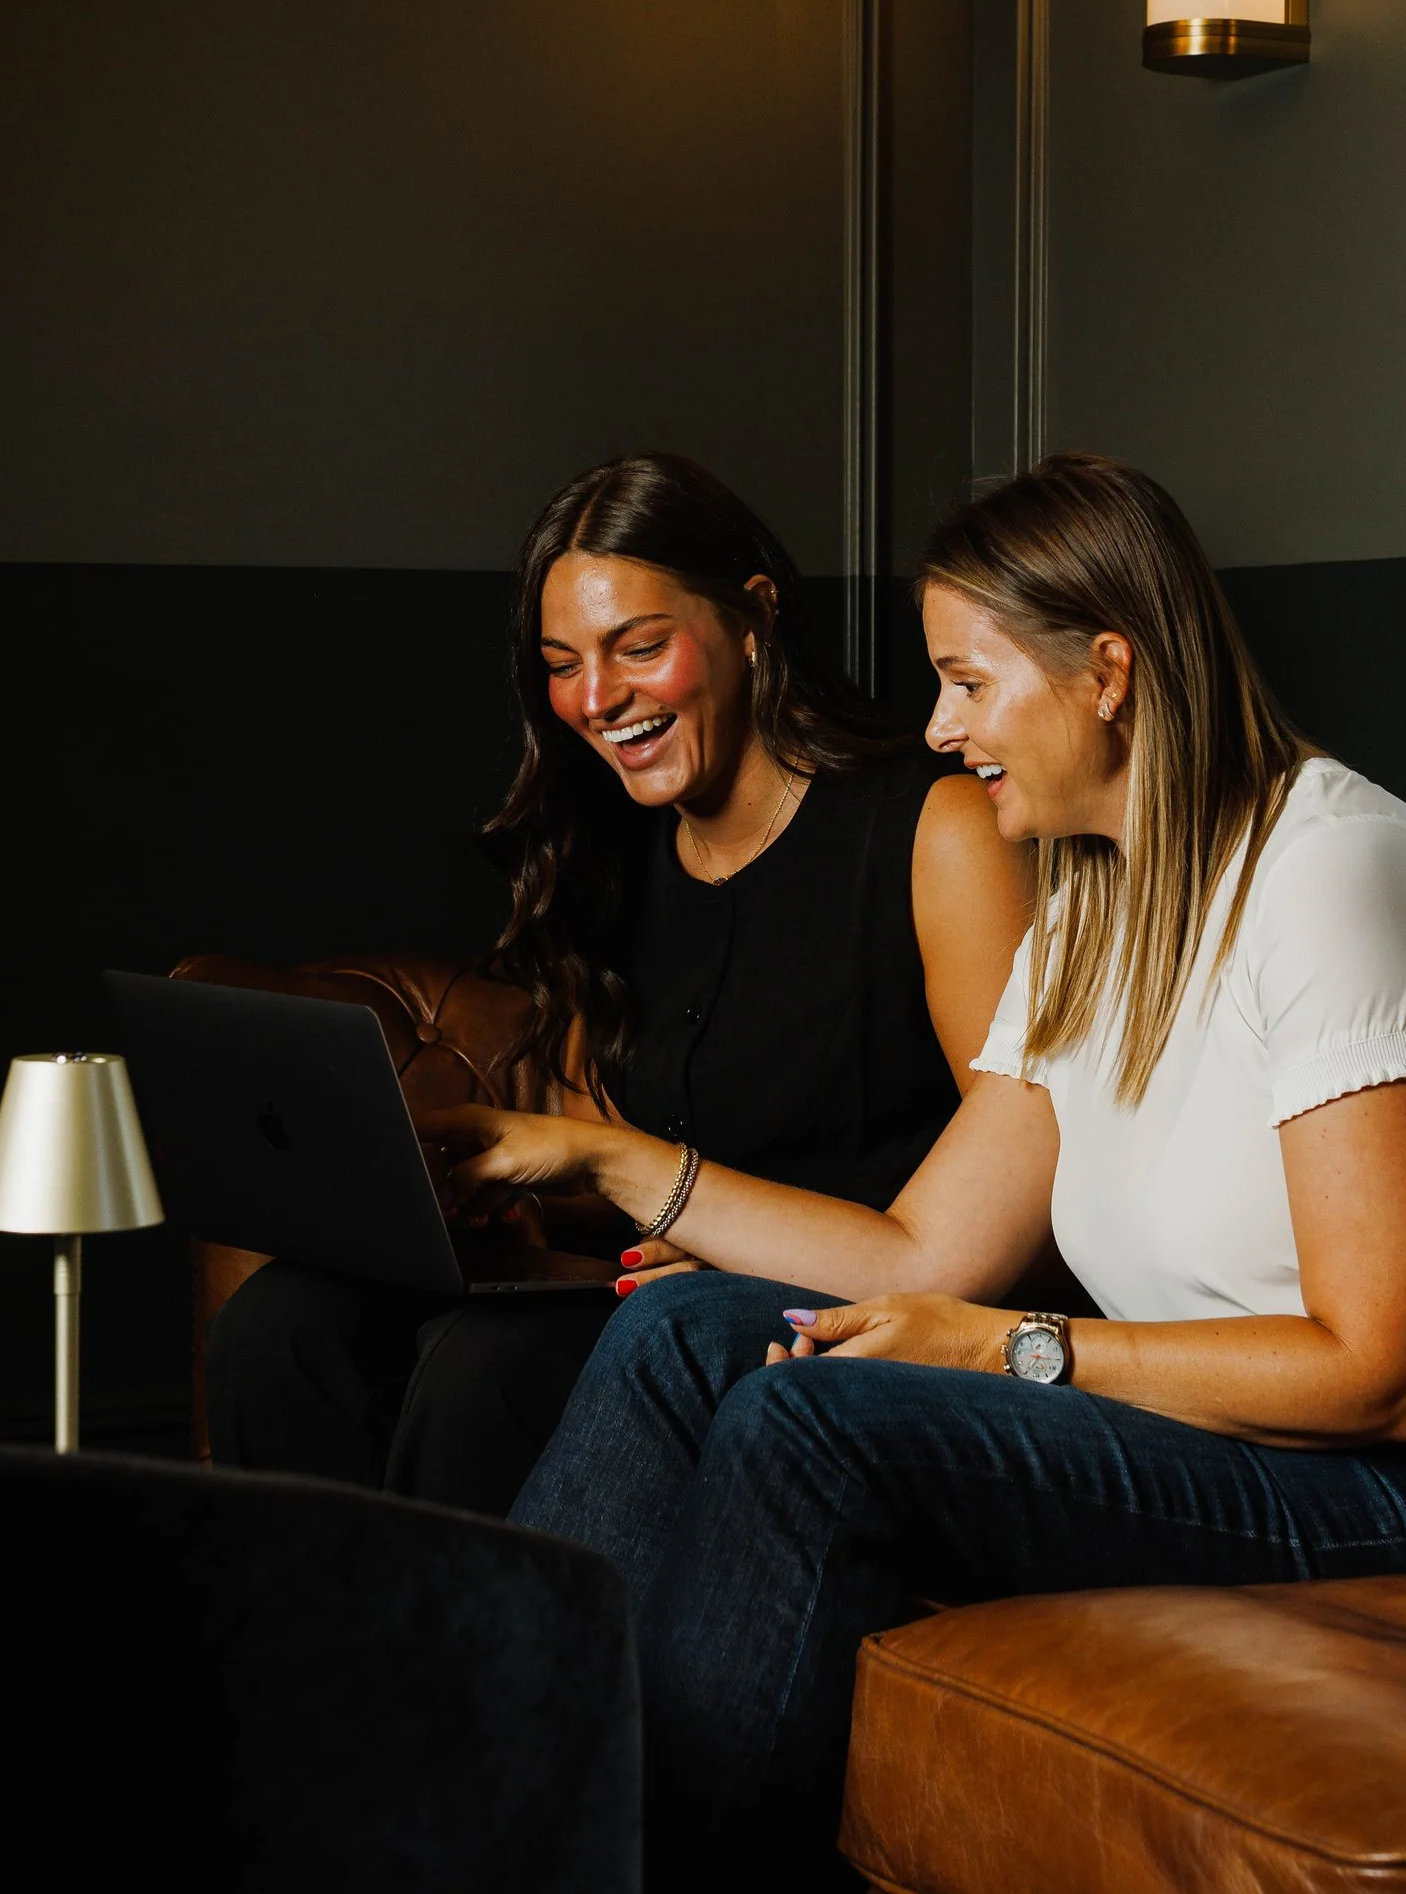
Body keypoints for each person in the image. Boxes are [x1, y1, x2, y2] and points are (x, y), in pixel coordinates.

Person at [443, 450, 1406, 1866]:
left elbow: (1386, 1371)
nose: (943, 732)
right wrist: (622, 1164)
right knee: (689, 1327)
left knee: (808, 1421)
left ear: (1109, 674)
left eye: (971, 682)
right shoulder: (1093, 901)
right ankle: (472, 1829)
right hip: (1225, 1434)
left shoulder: (1337, 870)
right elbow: (924, 1255)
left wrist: (1014, 1351)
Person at [203, 451, 1031, 1515]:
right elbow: (614, 1169)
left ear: (753, 617)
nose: (596, 700)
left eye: (639, 647)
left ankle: (456, 1676)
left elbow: (1011, 1193)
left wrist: (690, 1229)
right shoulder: (610, 849)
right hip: (654, 1291)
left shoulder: (934, 828)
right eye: (561, 662)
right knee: (284, 1323)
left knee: (482, 1372)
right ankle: (311, 1674)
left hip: (831, 1305)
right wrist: (506, 1204)